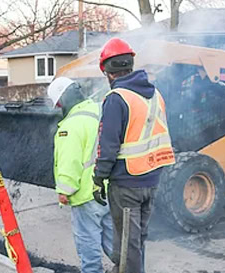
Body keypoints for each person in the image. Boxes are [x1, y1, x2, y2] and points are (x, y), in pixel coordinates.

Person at [92, 38, 176, 273]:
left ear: (107, 72)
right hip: (152, 178)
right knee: (136, 241)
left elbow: (108, 145)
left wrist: (99, 178)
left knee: (128, 245)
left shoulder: (116, 98)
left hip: (127, 183)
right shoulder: (154, 94)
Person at [47, 77, 113, 273]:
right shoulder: (101, 111)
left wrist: (64, 191)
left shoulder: (71, 126)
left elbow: (70, 162)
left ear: (62, 101)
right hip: (109, 189)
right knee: (115, 242)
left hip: (85, 195)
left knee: (88, 246)